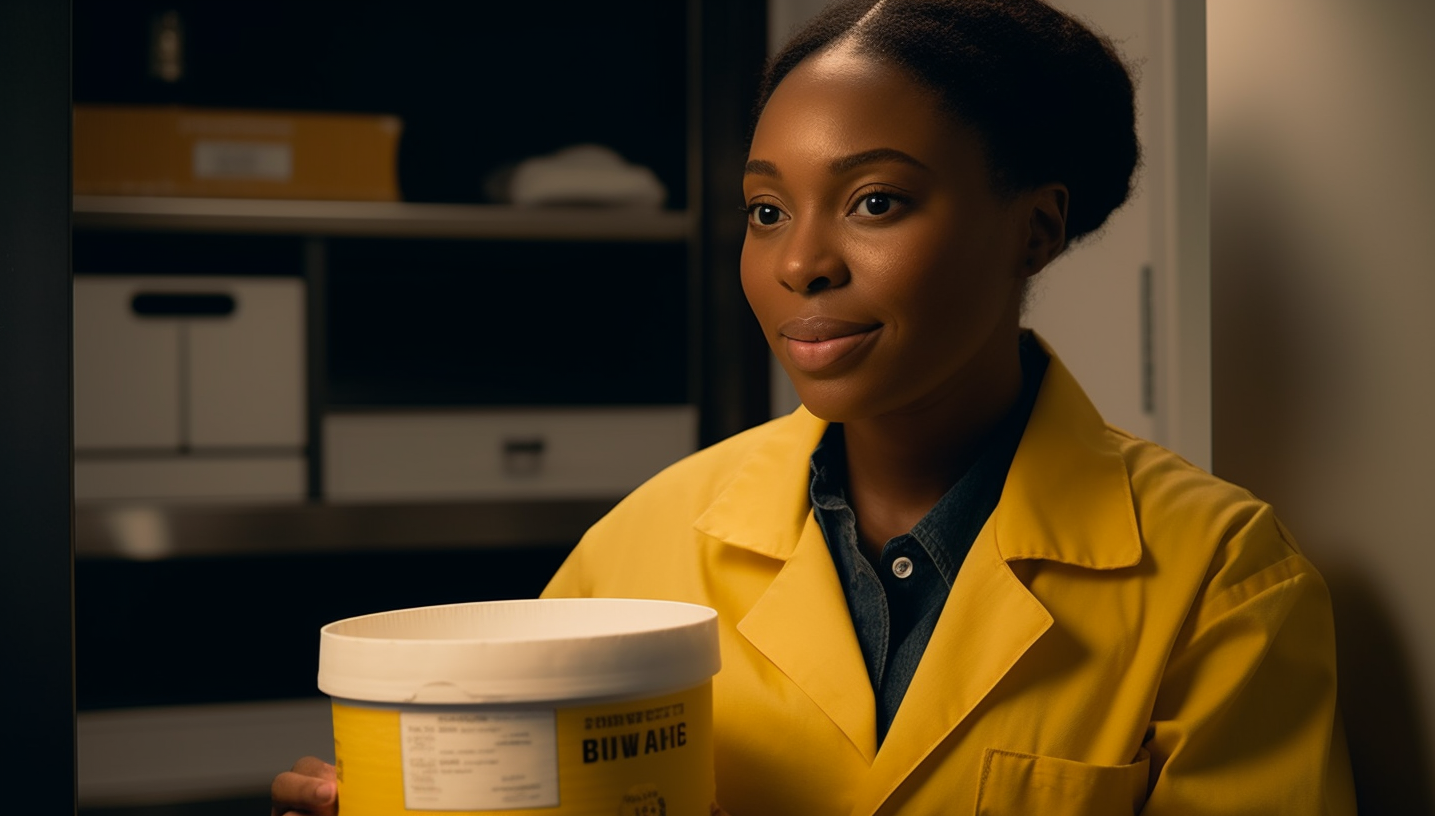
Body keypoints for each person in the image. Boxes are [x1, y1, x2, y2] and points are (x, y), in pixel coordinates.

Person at [273, 1, 1357, 813]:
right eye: (763, 209)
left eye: (874, 201)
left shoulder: (1218, 577)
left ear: (1034, 228)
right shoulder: (643, 545)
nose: (799, 262)